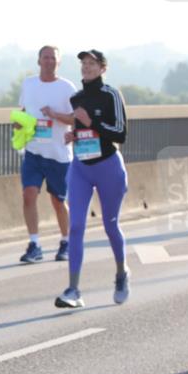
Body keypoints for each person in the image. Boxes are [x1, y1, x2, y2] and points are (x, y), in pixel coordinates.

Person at [54, 50, 130, 308]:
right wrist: (74, 135)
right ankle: (73, 290)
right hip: (81, 168)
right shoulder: (76, 97)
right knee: (76, 227)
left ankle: (121, 273)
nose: (86, 67)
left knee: (110, 226)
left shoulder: (111, 95)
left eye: (92, 63)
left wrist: (92, 121)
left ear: (102, 68)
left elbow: (120, 133)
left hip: (108, 167)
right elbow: (83, 129)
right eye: (84, 63)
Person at [16, 45, 78, 264]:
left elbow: (76, 118)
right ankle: (34, 244)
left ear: (58, 62)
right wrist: (19, 123)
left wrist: (54, 115)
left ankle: (66, 241)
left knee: (58, 201)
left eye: (53, 58)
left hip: (58, 154)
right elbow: (24, 112)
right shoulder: (29, 84)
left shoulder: (67, 87)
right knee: (28, 194)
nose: (49, 61)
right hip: (33, 151)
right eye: (45, 57)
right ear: (39, 60)